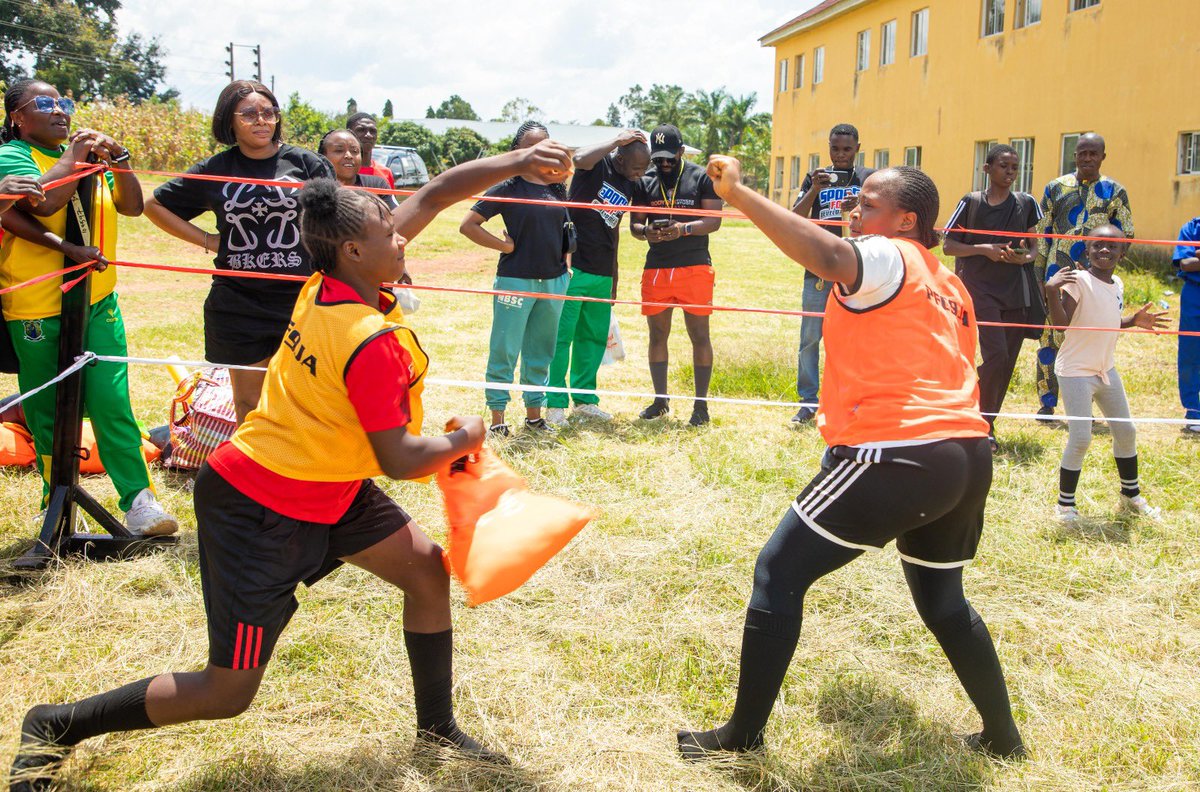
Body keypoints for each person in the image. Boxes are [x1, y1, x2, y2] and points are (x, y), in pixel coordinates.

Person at [10, 139, 577, 790]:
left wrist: (516, 160)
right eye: (389, 233)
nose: (403, 239)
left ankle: (436, 728)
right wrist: (468, 437)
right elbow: (400, 459)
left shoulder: (329, 281)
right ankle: (55, 723)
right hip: (257, 504)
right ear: (355, 250)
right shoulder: (370, 339)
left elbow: (437, 192)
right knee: (227, 691)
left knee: (424, 570)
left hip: (327, 485)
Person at [675, 158, 1026, 762]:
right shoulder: (950, 285)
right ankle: (1004, 738)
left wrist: (738, 194)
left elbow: (831, 259)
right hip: (967, 455)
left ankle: (742, 738)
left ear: (906, 219)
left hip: (900, 451)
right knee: (944, 603)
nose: (853, 213)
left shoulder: (892, 254)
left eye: (867, 204)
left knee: (778, 573)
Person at [0, 78, 177, 536]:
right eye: (45, 103)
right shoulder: (13, 158)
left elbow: (132, 207)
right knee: (45, 407)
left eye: (65, 102)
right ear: (17, 116)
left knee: (111, 398)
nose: (60, 110)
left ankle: (139, 502)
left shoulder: (89, 159)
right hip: (35, 304)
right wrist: (73, 158)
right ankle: (53, 500)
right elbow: (42, 205)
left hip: (98, 298)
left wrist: (119, 163)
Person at [144, 80, 334, 424]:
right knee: (249, 403)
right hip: (239, 302)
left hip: (301, 299)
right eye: (249, 113)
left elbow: (335, 219)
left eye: (269, 112)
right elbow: (154, 205)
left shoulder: (307, 164)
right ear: (228, 120)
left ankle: (306, 472)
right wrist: (208, 240)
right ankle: (258, 472)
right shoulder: (216, 169)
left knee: (307, 397)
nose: (261, 120)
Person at [1044, 224, 1168, 522]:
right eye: (1097, 245)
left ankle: (1130, 495)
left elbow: (1107, 319)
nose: (1104, 250)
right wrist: (1051, 291)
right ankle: (1065, 507)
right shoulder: (1079, 281)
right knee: (1081, 438)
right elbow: (1062, 324)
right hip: (1075, 372)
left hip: (1105, 370)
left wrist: (1132, 320)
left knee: (1126, 431)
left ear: (1122, 253)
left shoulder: (1118, 284)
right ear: (1086, 251)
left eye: (1112, 247)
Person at [460, 121, 570, 437]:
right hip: (516, 280)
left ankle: (534, 417)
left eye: (545, 146)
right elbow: (469, 225)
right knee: (504, 350)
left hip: (554, 281)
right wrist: (503, 245)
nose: (540, 153)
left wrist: (566, 266)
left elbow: (563, 232)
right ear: (517, 152)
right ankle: (497, 420)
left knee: (541, 351)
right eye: (532, 147)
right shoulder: (507, 188)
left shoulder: (557, 187)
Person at [544, 129, 649, 427]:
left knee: (591, 338)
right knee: (562, 337)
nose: (640, 174)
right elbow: (578, 157)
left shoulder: (629, 182)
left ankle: (585, 400)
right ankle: (554, 404)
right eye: (637, 167)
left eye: (644, 168)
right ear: (620, 157)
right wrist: (617, 139)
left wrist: (614, 275)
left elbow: (614, 227)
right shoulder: (597, 165)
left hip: (602, 270)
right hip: (573, 266)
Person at [943, 144, 1044, 448]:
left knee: (1006, 362)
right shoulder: (971, 202)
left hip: (1015, 290)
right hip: (979, 289)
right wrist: (982, 250)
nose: (1010, 172)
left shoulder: (1026, 203)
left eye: (1015, 167)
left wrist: (1025, 257)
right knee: (996, 353)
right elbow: (948, 245)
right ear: (987, 169)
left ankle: (986, 426)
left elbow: (1034, 246)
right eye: (1003, 166)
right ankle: (969, 410)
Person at [1033, 133, 1133, 421]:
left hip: (1096, 277)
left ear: (1103, 156)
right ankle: (1047, 405)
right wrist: (1040, 277)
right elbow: (1043, 234)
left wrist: (1106, 273)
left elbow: (1125, 235)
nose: (1087, 158)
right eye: (1082, 153)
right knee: (1050, 338)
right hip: (1057, 273)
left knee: (1089, 338)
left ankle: (1084, 405)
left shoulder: (1115, 191)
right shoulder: (1055, 187)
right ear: (1074, 156)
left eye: (1093, 153)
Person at [629, 124, 723, 427]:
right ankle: (660, 400)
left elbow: (713, 221)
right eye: (659, 159)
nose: (665, 164)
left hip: (694, 265)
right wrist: (649, 232)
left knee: (699, 336)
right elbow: (635, 227)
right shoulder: (646, 181)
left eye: (670, 157)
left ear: (682, 151)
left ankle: (701, 405)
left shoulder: (700, 177)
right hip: (657, 267)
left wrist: (683, 229)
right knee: (657, 335)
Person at [789, 123, 874, 424]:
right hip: (819, 265)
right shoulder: (816, 177)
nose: (840, 155)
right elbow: (794, 219)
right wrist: (814, 189)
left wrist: (861, 205)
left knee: (855, 337)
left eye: (847, 149)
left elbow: (882, 218)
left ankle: (850, 398)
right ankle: (808, 401)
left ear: (857, 149)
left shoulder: (868, 179)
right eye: (835, 149)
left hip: (858, 267)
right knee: (810, 336)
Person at [317, 128, 398, 211]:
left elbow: (395, 217)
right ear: (323, 156)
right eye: (339, 150)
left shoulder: (378, 185)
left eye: (355, 151)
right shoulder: (313, 188)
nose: (349, 156)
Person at [1172, 216, 1200, 433]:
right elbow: (1186, 263)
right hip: (1194, 294)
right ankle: (1194, 412)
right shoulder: (1191, 227)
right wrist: (1194, 259)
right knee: (1191, 354)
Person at [346, 112, 396, 190]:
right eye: (361, 130)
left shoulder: (385, 173)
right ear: (348, 134)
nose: (368, 135)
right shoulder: (340, 171)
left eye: (373, 131)